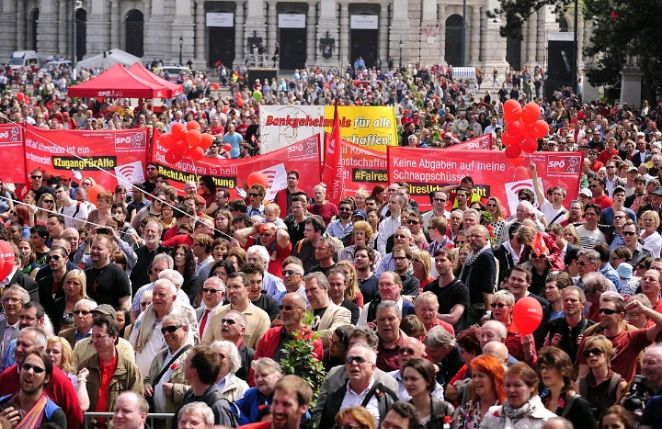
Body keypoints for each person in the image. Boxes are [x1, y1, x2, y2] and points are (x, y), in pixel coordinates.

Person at [0, 327, 84, 428]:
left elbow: (76, 418)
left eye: (37, 370)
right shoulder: (5, 380)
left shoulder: (60, 383)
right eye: (26, 367)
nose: (18, 349)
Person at [78, 315, 143, 424]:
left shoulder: (130, 370)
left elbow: (137, 403)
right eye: (93, 336)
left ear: (114, 337)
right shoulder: (85, 366)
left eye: (99, 336)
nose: (94, 340)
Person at [317, 344, 397, 429]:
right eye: (349, 360)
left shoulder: (386, 397)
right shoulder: (334, 396)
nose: (353, 363)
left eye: (359, 360)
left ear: (373, 367)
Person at [173, 345, 237, 427]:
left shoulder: (218, 406)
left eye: (186, 362)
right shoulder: (190, 395)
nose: (183, 365)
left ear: (194, 371)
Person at [480, 362, 556, 428]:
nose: (511, 390)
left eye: (517, 385)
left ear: (532, 387)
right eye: (507, 385)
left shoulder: (548, 421)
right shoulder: (493, 414)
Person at [143, 313, 192, 414]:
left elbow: (203, 390)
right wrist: (146, 385)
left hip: (178, 421)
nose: (166, 334)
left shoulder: (196, 356)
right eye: (163, 330)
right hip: (156, 420)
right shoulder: (160, 356)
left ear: (185, 329)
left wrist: (175, 390)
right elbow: (149, 378)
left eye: (171, 329)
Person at [537, 347, 596, 428]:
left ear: (563, 370)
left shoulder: (578, 404)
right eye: (543, 367)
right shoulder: (541, 401)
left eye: (549, 367)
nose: (544, 371)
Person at [452, 355, 505, 429]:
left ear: (494, 379)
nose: (476, 380)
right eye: (474, 376)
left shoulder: (507, 410)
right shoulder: (465, 410)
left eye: (481, 376)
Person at [459, 225, 497, 326]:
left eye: (477, 236)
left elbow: (488, 286)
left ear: (486, 239)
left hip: (478, 308)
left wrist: (488, 312)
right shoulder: (473, 254)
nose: (472, 239)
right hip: (469, 305)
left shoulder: (486, 256)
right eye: (471, 236)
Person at [402, 358, 454, 427]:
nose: (408, 383)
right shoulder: (401, 412)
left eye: (413, 379)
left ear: (428, 380)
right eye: (405, 379)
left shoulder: (446, 409)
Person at [304, 272, 352, 347]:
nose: (308, 294)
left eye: (313, 289)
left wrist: (305, 334)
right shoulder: (304, 312)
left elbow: (334, 335)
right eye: (306, 291)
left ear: (325, 288)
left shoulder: (341, 312)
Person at [84, 234, 131, 309]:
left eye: (99, 249)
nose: (95, 251)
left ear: (109, 252)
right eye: (93, 248)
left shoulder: (118, 274)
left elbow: (125, 305)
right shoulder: (86, 273)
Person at [233, 358, 282, 424]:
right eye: (256, 376)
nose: (259, 379)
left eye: (264, 375)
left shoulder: (284, 395)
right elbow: (234, 408)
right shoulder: (252, 394)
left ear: (277, 376)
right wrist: (249, 425)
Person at [639, 344, 662, 429]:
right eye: (643, 362)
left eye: (651, 362)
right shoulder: (640, 389)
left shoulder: (657, 401)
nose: (644, 367)